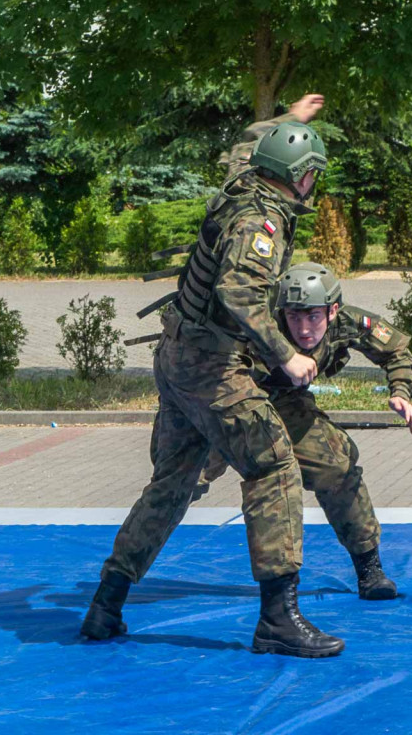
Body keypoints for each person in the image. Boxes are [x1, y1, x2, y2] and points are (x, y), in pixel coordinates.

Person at [81, 94, 346, 659]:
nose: (313, 186)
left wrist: (290, 120)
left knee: (172, 484)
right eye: (311, 176)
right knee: (272, 463)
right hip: (210, 366)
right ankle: (278, 618)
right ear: (297, 178)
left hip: (177, 357)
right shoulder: (261, 220)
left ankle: (106, 603)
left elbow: (242, 143)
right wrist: (285, 355)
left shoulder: (243, 180)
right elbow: (239, 291)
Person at [196, 262, 412, 599]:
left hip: (286, 404)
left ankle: (370, 569)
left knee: (338, 466)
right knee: (180, 482)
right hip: (227, 404)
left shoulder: (348, 321)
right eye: (294, 317)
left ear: (332, 311)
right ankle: (119, 580)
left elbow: (396, 350)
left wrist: (400, 392)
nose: (303, 328)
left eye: (313, 316)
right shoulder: (259, 323)